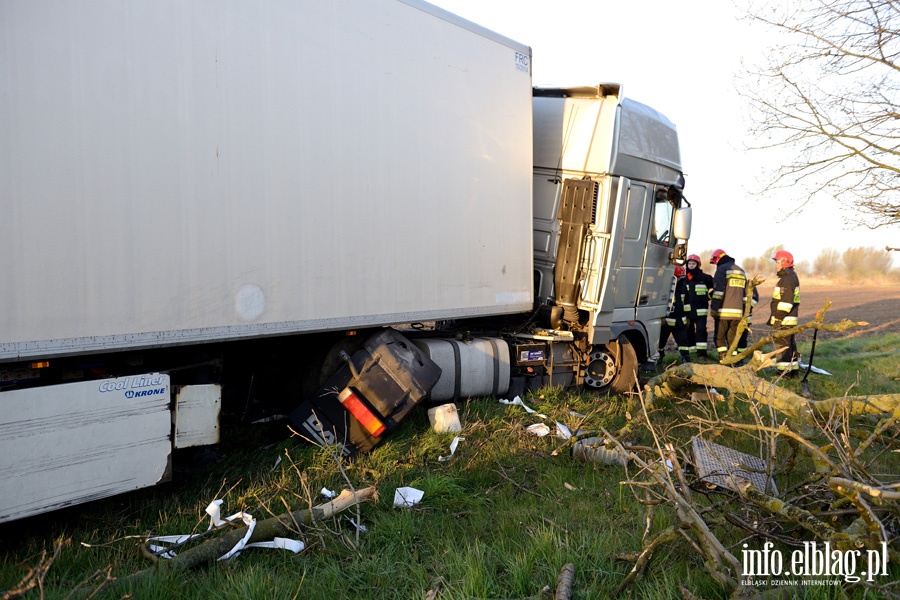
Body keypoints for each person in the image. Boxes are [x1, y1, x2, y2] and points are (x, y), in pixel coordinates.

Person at [709, 249, 750, 364]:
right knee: (733, 338)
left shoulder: (722, 270)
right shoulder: (741, 271)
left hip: (723, 312)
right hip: (738, 313)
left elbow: (719, 292)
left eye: (715, 262)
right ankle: (735, 361)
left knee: (719, 337)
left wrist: (714, 308)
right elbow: (746, 294)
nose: (715, 265)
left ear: (717, 259)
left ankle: (723, 359)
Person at [769, 249, 801, 375]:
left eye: (777, 262)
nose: (775, 265)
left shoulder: (787, 279)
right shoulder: (791, 277)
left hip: (784, 319)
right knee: (790, 346)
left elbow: (786, 302)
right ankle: (793, 372)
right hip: (789, 318)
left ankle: (784, 374)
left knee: (782, 347)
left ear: (784, 263)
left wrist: (778, 318)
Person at [659, 265, 692, 363]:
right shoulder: (663, 287)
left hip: (679, 322)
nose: (677, 279)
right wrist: (661, 318)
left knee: (683, 343)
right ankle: (659, 358)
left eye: (678, 277)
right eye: (675, 277)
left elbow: (687, 303)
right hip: (666, 322)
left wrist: (688, 318)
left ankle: (686, 360)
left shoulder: (684, 287)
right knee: (660, 342)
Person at [684, 254, 713, 359]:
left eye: (693, 263)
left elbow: (717, 286)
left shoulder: (705, 278)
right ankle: (692, 354)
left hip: (701, 311)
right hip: (687, 311)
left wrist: (708, 296)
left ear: (698, 265)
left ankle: (702, 354)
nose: (691, 265)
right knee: (688, 331)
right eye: (689, 263)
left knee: (701, 330)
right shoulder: (683, 278)